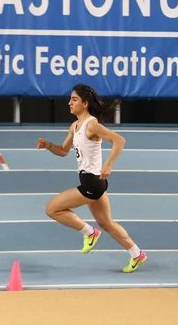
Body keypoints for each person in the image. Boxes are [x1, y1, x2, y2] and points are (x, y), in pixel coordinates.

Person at [36, 83, 146, 273]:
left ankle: (89, 232)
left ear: (85, 103)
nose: (69, 103)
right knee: (106, 223)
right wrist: (48, 145)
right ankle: (137, 254)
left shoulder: (92, 125)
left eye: (74, 99)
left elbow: (119, 140)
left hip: (93, 183)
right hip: (93, 183)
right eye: (70, 99)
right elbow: (63, 151)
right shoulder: (75, 126)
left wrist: (108, 165)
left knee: (52, 208)